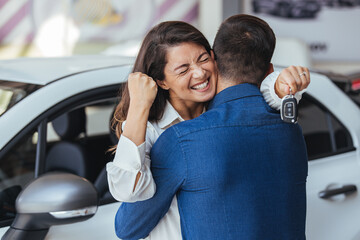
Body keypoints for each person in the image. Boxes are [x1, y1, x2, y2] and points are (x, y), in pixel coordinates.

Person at [108, 18, 309, 240]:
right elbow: (128, 204)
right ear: (162, 81)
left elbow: (249, 99)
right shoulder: (152, 131)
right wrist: (138, 107)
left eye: (203, 59)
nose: (200, 73)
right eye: (183, 69)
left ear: (216, 58)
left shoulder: (220, 111)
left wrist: (278, 87)